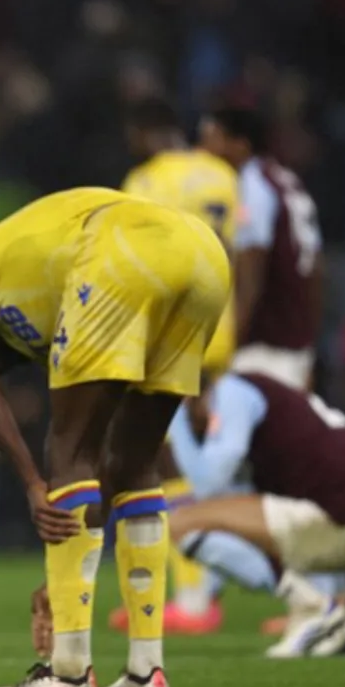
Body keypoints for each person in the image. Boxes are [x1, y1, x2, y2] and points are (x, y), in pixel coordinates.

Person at [0, 188, 230, 687]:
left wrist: (32, 481)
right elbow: (106, 466)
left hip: (122, 246)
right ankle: (146, 671)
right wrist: (71, 577)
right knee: (136, 462)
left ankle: (67, 672)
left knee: (65, 451)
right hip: (204, 256)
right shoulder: (45, 294)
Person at [107, 95, 242, 636]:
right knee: (208, 464)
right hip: (224, 328)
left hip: (172, 333)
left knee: (165, 465)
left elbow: (139, 264)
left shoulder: (142, 181)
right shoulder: (219, 174)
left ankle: (194, 593)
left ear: (142, 134)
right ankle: (197, 587)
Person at [167, 371, 345, 657]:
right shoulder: (276, 401)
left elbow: (206, 485)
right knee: (247, 512)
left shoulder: (233, 391)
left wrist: (174, 421)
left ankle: (312, 605)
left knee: (183, 522)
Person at [199, 105, 324, 391]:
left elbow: (250, 280)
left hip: (263, 351)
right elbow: (316, 267)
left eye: (213, 137)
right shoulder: (285, 180)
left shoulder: (251, 187)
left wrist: (225, 353)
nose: (204, 148)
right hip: (294, 343)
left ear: (240, 144)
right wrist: (308, 344)